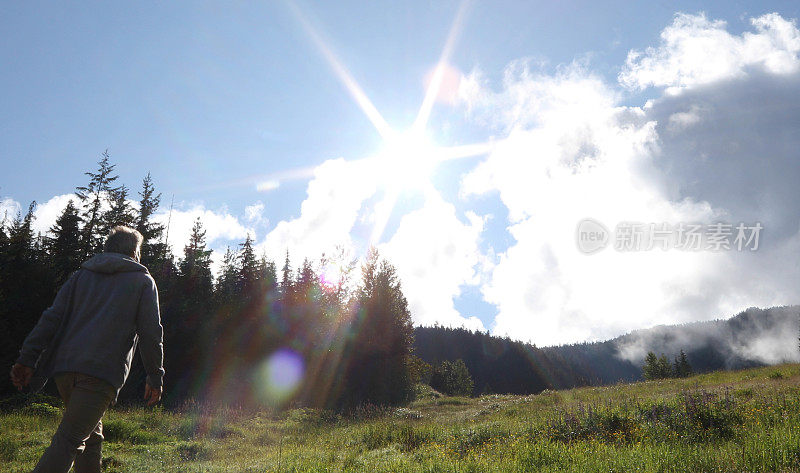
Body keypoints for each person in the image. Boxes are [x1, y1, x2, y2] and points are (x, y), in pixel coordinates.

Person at [9, 225, 165, 473]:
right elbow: (151, 332)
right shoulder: (142, 280)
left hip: (65, 371)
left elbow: (52, 318)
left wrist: (27, 359)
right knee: (69, 441)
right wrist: (155, 375)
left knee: (91, 436)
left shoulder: (81, 276)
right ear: (135, 252)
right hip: (100, 374)